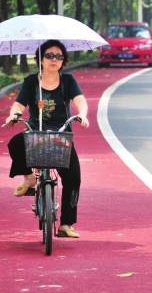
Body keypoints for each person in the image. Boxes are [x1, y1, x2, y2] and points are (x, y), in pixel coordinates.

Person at [5, 39, 89, 239]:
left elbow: (80, 100)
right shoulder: (32, 81)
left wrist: (83, 114)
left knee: (73, 178)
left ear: (63, 61)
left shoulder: (68, 81)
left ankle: (66, 224)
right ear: (41, 59)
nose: (54, 60)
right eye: (50, 55)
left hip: (61, 135)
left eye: (59, 56)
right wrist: (14, 115)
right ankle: (29, 177)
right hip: (36, 133)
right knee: (15, 143)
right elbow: (19, 105)